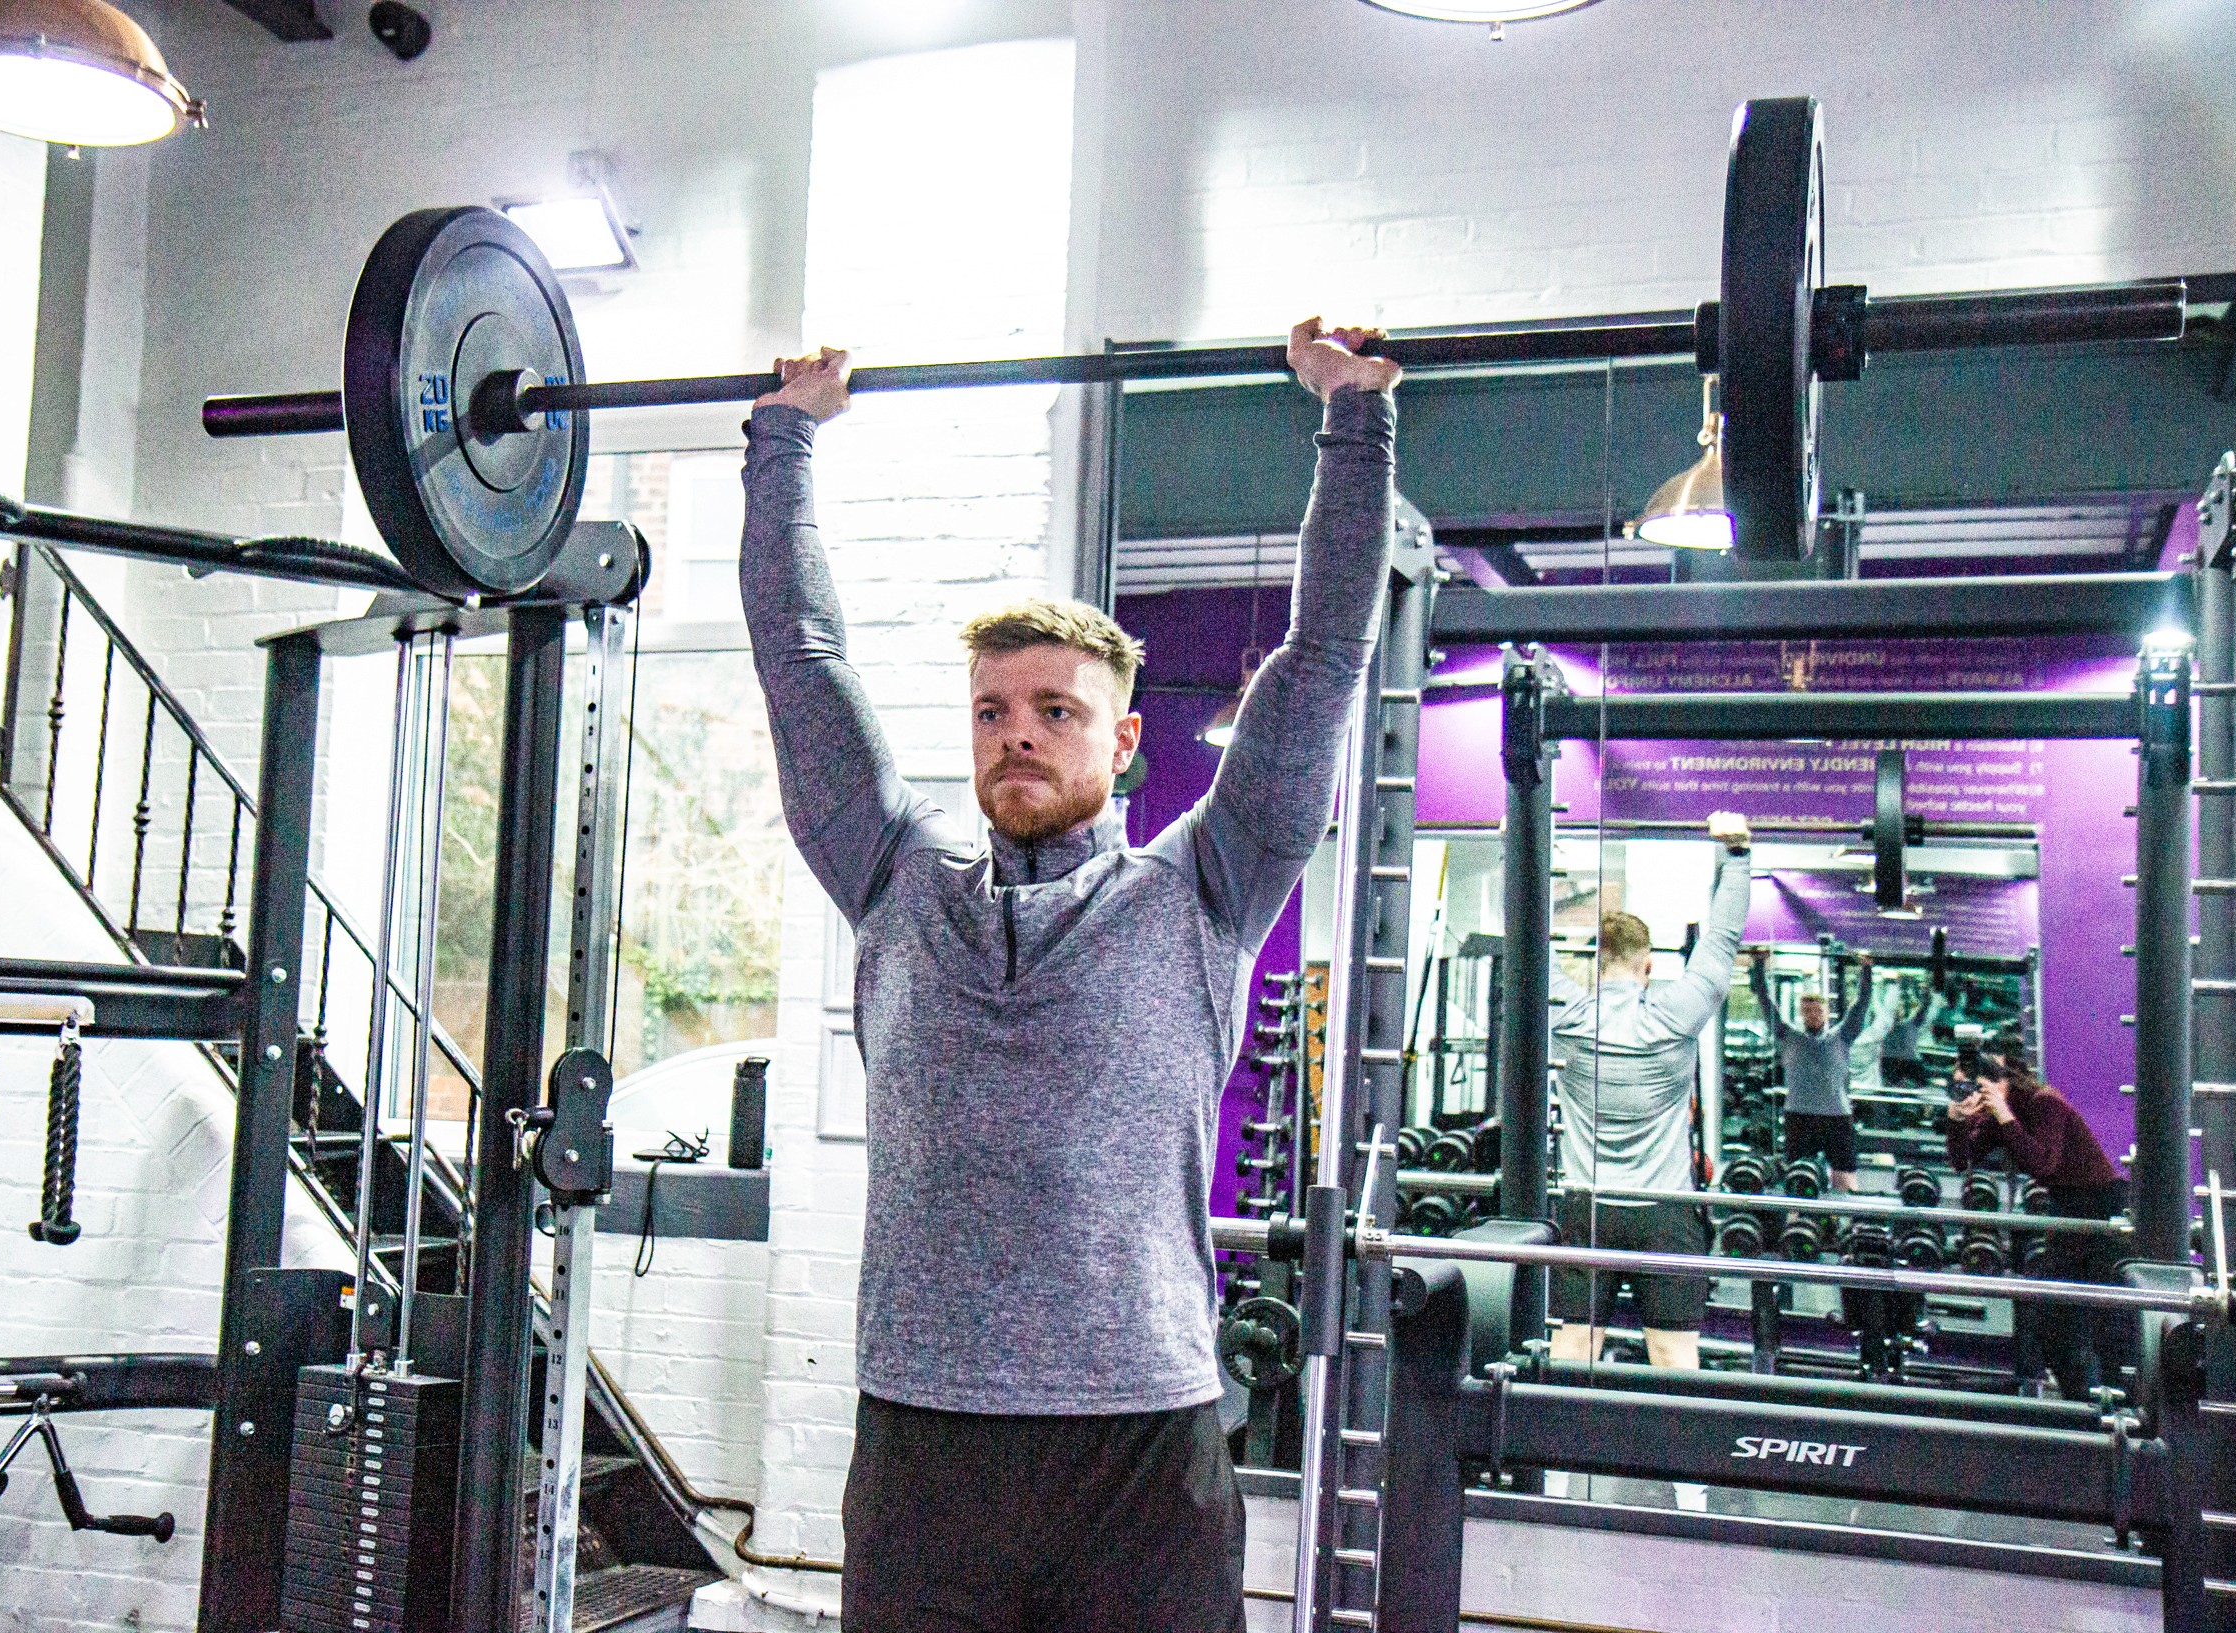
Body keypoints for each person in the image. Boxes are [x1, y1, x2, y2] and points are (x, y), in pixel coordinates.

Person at [738, 321, 1400, 1632]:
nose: (1019, 735)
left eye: (1056, 709)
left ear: (1124, 735)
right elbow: (798, 661)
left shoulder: (1197, 892)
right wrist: (783, 442)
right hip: (927, 1442)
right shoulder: (896, 882)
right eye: (993, 711)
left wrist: (1355, 419)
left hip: (1142, 1445)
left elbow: (1321, 656)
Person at [1550, 814, 1754, 1370]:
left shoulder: (1567, 1013)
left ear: (1597, 963)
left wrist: (1513, 846)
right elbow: (1721, 942)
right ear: (1647, 964)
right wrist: (1737, 855)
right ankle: (1677, 1457)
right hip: (1665, 1213)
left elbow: (1526, 938)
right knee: (1671, 1353)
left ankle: (1542, 1457)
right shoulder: (1673, 1015)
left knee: (1573, 1345)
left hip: (1586, 1206)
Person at [1946, 1046, 2130, 1402]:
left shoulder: (2046, 1103)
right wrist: (1956, 1119)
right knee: (2051, 1315)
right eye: (1961, 1087)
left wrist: (2003, 1114)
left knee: (2104, 1321)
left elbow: (2043, 1163)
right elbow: (1960, 1160)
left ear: (1998, 1081)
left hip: (2103, 1209)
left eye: (1974, 1085)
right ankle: (2078, 1400)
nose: (1970, 1092)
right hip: (2067, 1211)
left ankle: (2113, 1404)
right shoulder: (2000, 1116)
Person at [1748, 947, 1875, 1191]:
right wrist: (1760, 965)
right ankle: (1797, 1223)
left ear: (1827, 1013)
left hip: (1837, 1116)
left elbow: (1861, 1005)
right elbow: (1766, 1001)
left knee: (1845, 1177)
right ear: (1801, 1013)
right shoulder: (1788, 1036)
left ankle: (1851, 1223)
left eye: (1818, 1010)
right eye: (1808, 1010)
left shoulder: (1842, 1036)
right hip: (1799, 1116)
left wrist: (1866, 969)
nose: (1813, 1014)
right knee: (1797, 1178)